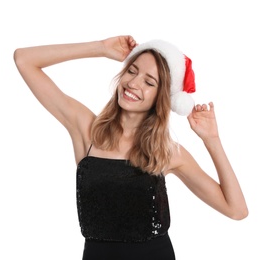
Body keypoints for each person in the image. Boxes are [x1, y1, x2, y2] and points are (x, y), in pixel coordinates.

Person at [14, 35, 248, 260]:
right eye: (131, 70)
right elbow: (24, 59)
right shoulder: (87, 130)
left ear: (161, 97)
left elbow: (236, 209)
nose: (133, 83)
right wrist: (101, 48)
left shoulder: (166, 152)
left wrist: (212, 140)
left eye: (149, 82)